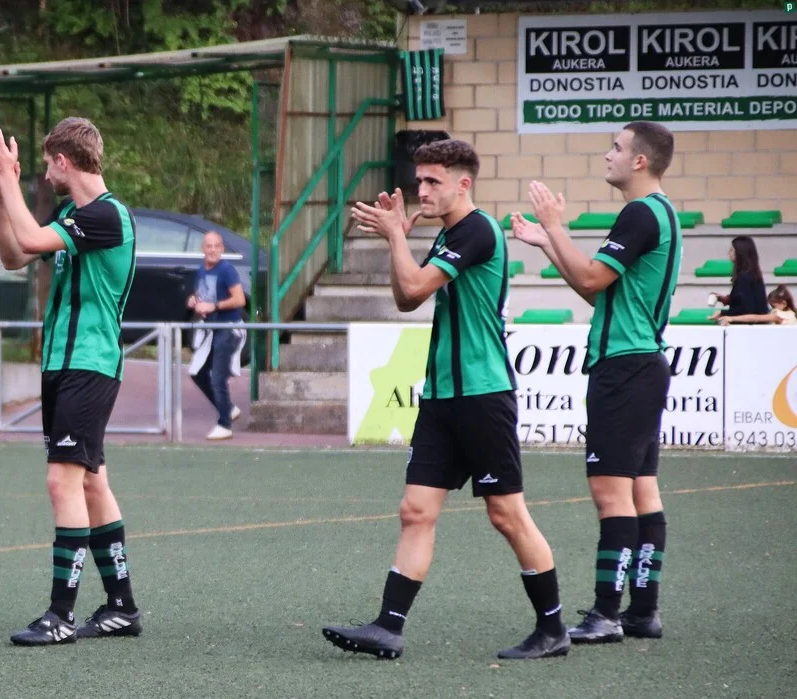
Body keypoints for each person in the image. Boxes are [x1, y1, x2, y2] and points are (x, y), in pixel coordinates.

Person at [322, 139, 569, 661]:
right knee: (415, 510)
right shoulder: (450, 235)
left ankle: (553, 629)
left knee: (507, 514)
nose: (422, 190)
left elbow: (413, 289)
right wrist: (397, 241)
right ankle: (388, 627)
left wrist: (395, 235)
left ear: (463, 184)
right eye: (419, 180)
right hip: (441, 396)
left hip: (483, 394)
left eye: (433, 181)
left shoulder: (477, 230)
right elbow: (404, 296)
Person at [511, 120, 681, 644]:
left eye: (617, 147)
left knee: (611, 493)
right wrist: (548, 242)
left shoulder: (639, 213)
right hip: (642, 364)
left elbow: (590, 278)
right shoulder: (661, 212)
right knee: (640, 488)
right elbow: (597, 291)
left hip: (624, 368)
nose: (608, 154)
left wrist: (554, 225)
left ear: (640, 161)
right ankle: (642, 612)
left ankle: (606, 615)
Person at [0, 117, 142, 646]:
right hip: (63, 364)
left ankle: (60, 616)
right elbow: (14, 255)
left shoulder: (107, 215)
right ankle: (121, 607)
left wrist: (7, 178)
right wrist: (1, 196)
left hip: (89, 364)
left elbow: (30, 237)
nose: (44, 175)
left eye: (47, 165)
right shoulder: (73, 215)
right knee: (91, 482)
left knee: (62, 482)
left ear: (62, 161)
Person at [187, 231, 246, 441]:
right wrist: (195, 301)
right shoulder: (201, 270)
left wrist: (215, 306)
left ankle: (224, 424)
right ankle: (228, 408)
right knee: (198, 372)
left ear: (222, 249)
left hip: (229, 329)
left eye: (216, 246)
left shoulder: (227, 271)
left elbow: (240, 300)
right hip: (211, 330)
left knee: (218, 377)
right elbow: (202, 295)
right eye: (209, 246)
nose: (212, 250)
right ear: (203, 249)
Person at [710, 236, 768, 323]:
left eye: (731, 250)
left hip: (749, 326)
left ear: (740, 253)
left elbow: (745, 309)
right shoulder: (752, 274)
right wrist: (727, 299)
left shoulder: (744, 277)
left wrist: (722, 312)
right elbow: (745, 301)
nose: (729, 253)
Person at [719, 284, 796, 325]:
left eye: (773, 306)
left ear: (783, 304)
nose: (772, 309)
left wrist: (732, 318)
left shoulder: (779, 315)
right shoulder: (792, 314)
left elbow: (756, 318)